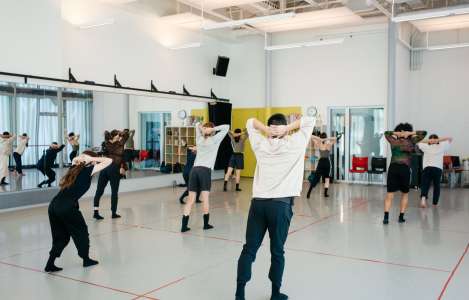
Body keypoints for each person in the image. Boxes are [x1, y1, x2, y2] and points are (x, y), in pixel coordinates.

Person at [235, 114, 315, 300]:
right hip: (280, 206)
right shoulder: (296, 142)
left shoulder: (260, 144)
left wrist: (265, 129)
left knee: (249, 249)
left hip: (258, 204)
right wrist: (287, 129)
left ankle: (240, 294)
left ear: (271, 127)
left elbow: (249, 121)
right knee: (277, 251)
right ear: (284, 128)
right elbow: (309, 120)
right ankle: (275, 294)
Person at [45, 151, 112, 273]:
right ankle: (86, 260)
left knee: (61, 236)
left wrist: (85, 158)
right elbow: (109, 160)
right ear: (90, 161)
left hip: (54, 205)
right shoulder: (88, 170)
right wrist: (91, 158)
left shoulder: (73, 168)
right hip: (67, 207)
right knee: (81, 232)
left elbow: (76, 159)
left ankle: (50, 264)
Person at [181, 122, 229, 232]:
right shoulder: (215, 139)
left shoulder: (199, 139)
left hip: (194, 170)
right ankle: (206, 225)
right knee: (205, 198)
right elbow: (226, 127)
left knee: (190, 199)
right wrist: (211, 129)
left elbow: (197, 124)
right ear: (212, 131)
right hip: (205, 171)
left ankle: (184, 226)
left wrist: (202, 129)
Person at [383, 123, 426, 224]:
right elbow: (386, 133)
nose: (402, 133)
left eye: (404, 131)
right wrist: (399, 133)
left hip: (404, 169)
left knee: (405, 194)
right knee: (390, 194)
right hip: (394, 169)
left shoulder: (411, 141)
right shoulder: (394, 140)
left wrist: (409, 133)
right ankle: (386, 217)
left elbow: (424, 133)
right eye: (400, 131)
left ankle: (401, 217)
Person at [93, 129, 129, 220]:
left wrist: (114, 134)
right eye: (118, 135)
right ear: (114, 136)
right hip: (113, 169)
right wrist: (121, 132)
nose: (119, 136)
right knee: (114, 192)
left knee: (99, 191)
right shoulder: (120, 143)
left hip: (105, 168)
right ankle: (113, 213)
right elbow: (126, 134)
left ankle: (96, 212)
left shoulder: (106, 143)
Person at [417, 135, 452, 208]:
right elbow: (450, 139)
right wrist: (438, 140)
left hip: (427, 168)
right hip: (437, 169)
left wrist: (430, 141)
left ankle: (423, 199)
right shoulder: (442, 146)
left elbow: (418, 141)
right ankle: (435, 203)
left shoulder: (425, 146)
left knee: (425, 185)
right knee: (437, 186)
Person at [306, 132, 336, 198]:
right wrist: (326, 139)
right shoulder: (328, 144)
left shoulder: (319, 144)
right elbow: (335, 138)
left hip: (321, 162)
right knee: (327, 178)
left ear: (321, 137)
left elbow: (311, 136)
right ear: (325, 137)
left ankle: (309, 193)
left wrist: (320, 139)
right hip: (327, 163)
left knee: (316, 178)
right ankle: (325, 193)